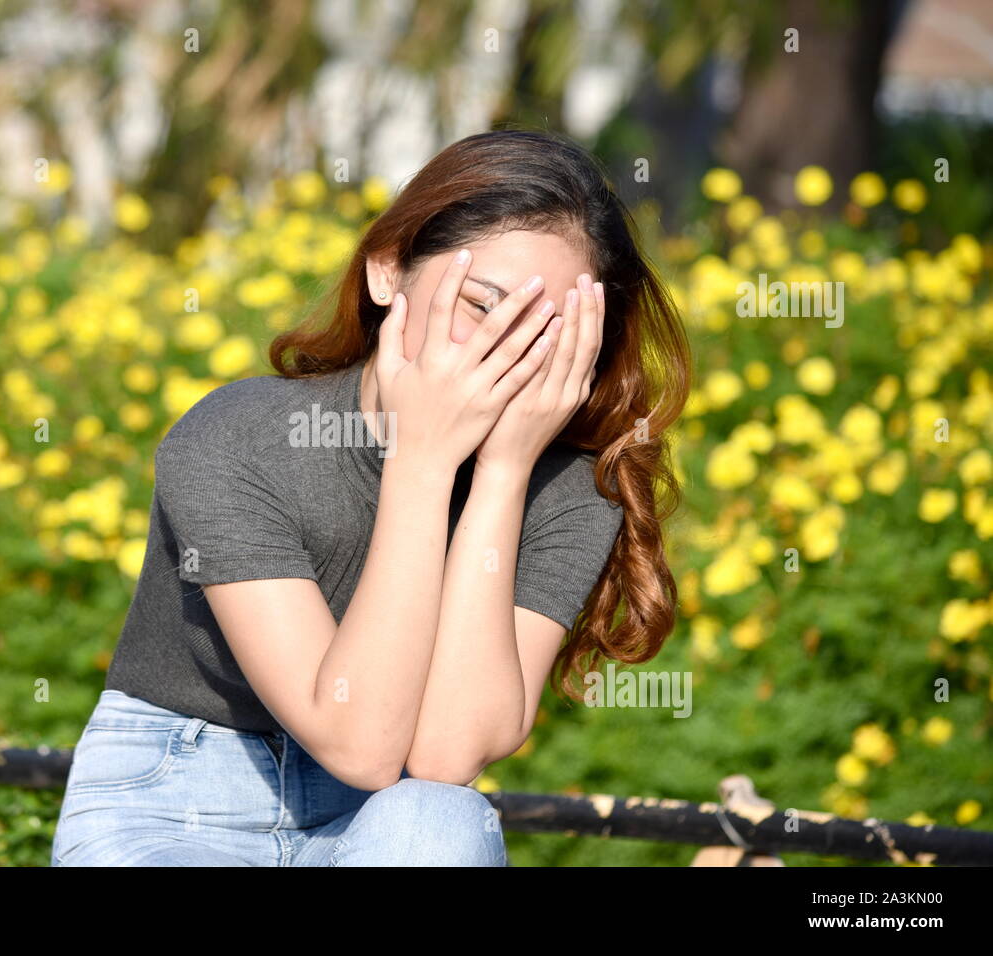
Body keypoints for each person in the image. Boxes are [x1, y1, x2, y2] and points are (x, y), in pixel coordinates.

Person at [51, 128, 690, 867]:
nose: (504, 355)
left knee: (440, 820)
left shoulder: (569, 485)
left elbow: (447, 755)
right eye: (484, 307)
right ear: (388, 272)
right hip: (175, 796)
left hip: (378, 820)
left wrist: (503, 475)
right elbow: (357, 739)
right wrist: (421, 460)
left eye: (544, 334)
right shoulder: (235, 438)